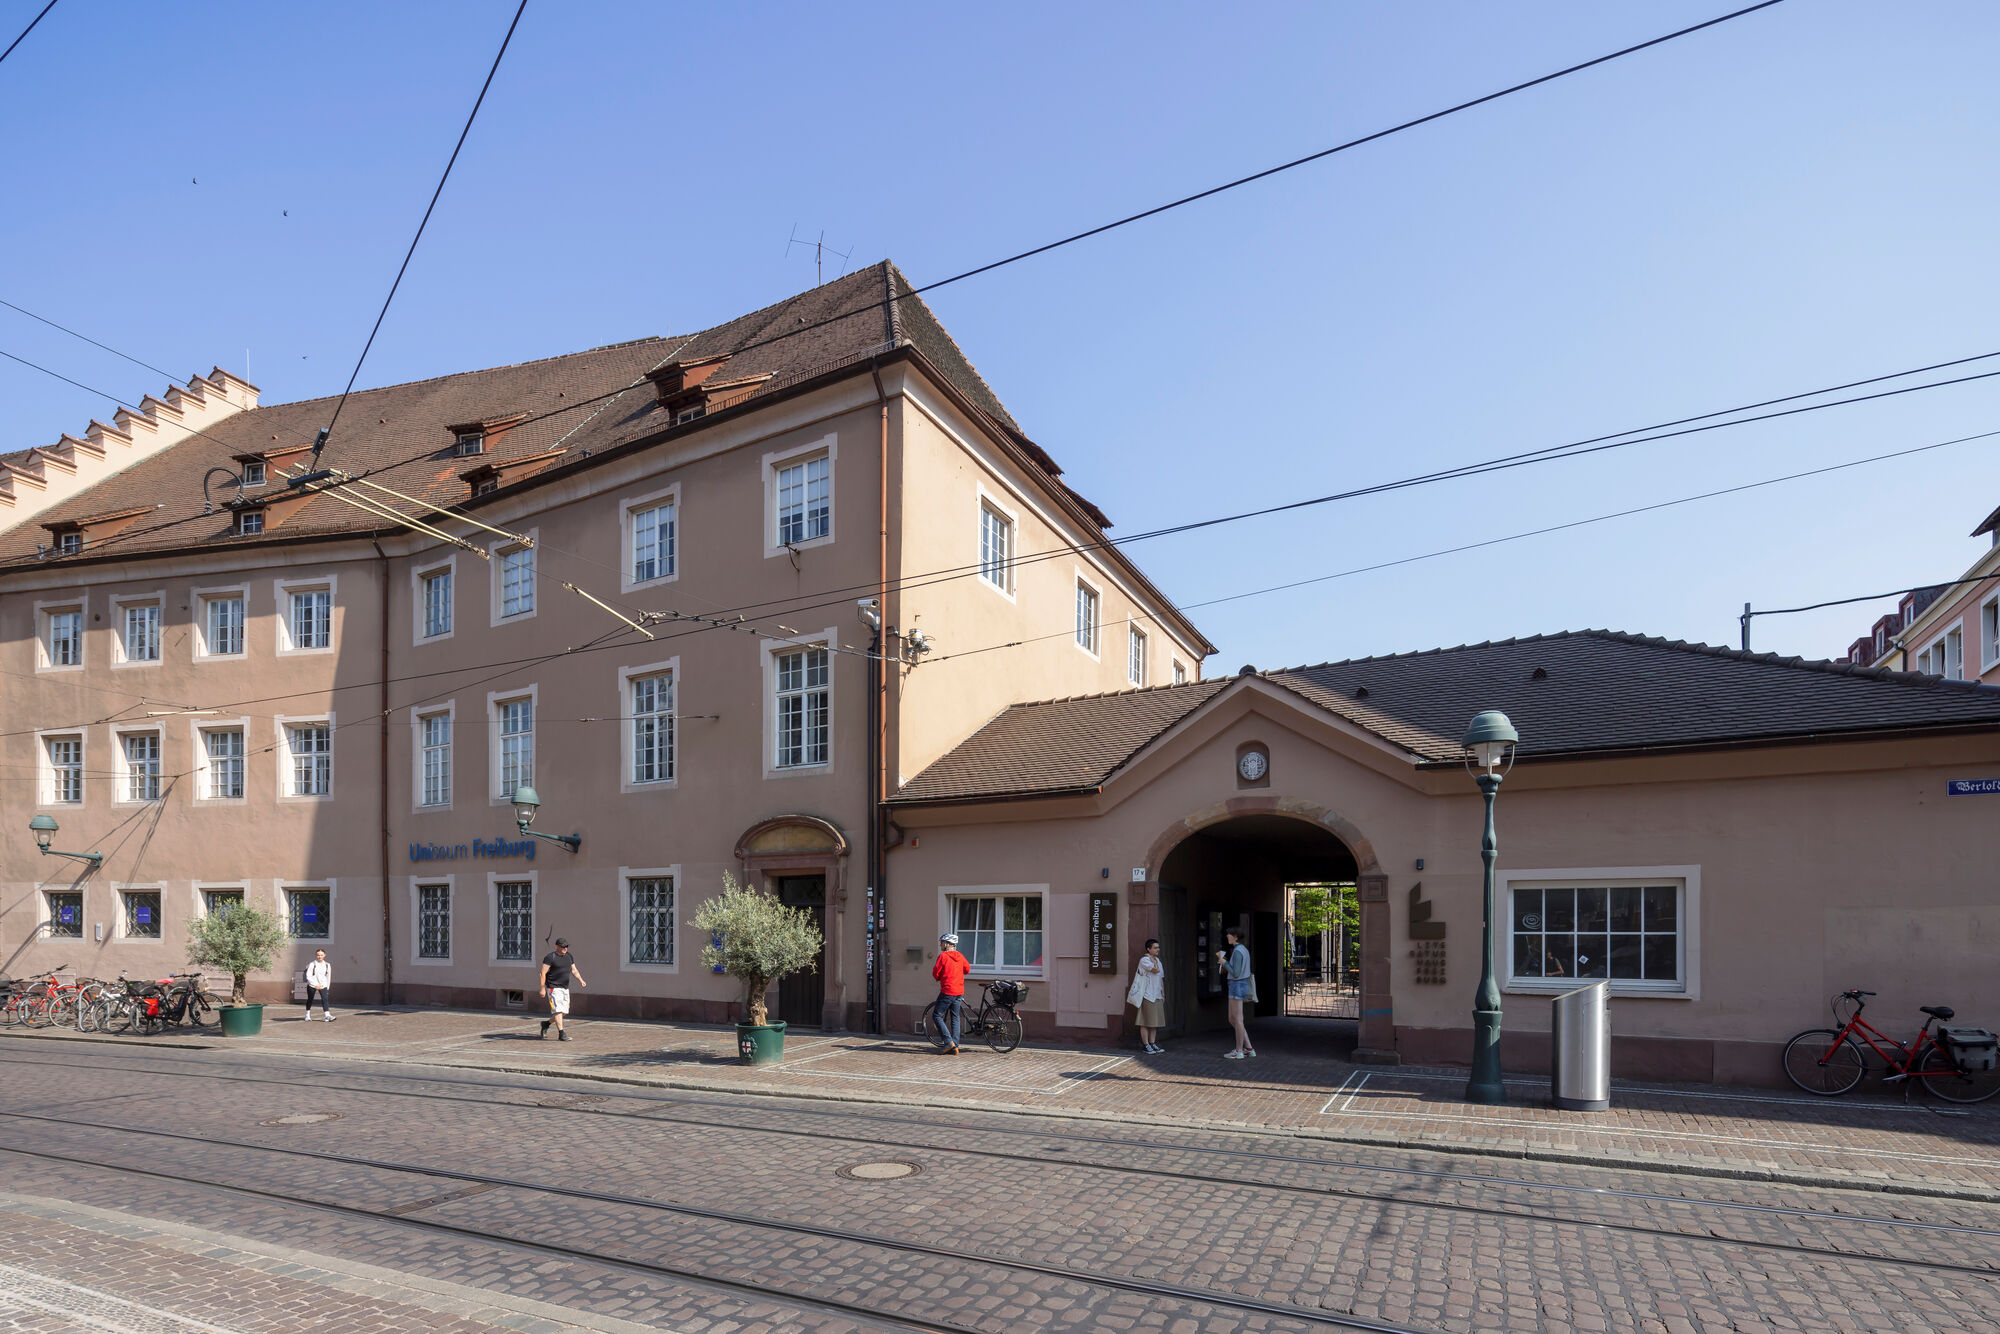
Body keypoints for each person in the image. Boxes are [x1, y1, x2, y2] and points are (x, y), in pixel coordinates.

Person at [1215, 927, 1255, 1059]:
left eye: (1229, 934)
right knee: (1233, 1018)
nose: (1227, 936)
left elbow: (1236, 972)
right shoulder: (1242, 950)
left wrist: (1224, 962)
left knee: (1237, 1019)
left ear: (1236, 936)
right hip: (1239, 984)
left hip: (1236, 984)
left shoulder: (1238, 951)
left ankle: (1239, 1051)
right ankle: (1248, 1047)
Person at [538, 938, 586, 1041]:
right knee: (558, 1010)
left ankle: (546, 1024)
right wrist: (542, 988)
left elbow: (574, 970)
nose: (565, 948)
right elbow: (543, 973)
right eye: (563, 947)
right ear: (557, 946)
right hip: (553, 988)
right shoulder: (550, 957)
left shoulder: (569, 956)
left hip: (565, 988)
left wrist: (581, 980)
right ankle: (561, 1034)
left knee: (563, 1012)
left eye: (566, 946)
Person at [931, 932, 970, 1055]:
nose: (940, 945)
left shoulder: (943, 956)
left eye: (942, 943)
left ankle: (948, 1042)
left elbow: (936, 973)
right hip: (959, 991)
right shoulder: (960, 956)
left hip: (948, 991)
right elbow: (967, 969)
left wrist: (940, 977)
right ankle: (956, 1045)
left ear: (948, 944)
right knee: (955, 1017)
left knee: (937, 1015)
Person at [1128, 938, 1166, 1053]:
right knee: (1145, 1021)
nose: (1157, 949)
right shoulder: (1144, 960)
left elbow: (1161, 978)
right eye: (1155, 948)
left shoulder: (1158, 961)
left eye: (1158, 947)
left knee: (1154, 1022)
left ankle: (1153, 1043)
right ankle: (1146, 1044)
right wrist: (1151, 959)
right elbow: (1155, 970)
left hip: (1157, 994)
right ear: (1148, 949)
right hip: (1147, 995)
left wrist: (1163, 994)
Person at [303, 949, 334, 1022]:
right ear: (316, 955)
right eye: (318, 955)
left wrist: (327, 987)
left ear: (324, 955)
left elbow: (328, 976)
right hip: (312, 984)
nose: (320, 956)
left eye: (321, 955)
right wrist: (315, 984)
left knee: (325, 999)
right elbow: (308, 976)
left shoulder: (327, 965)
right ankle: (307, 1015)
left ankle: (327, 1015)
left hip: (323, 984)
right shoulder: (312, 964)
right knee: (310, 999)